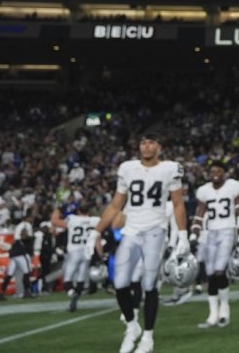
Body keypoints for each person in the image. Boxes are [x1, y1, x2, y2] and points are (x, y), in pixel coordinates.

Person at [89, 133, 189, 353]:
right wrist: (96, 231)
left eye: (151, 142)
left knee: (149, 284)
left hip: (155, 230)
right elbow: (115, 205)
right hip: (132, 230)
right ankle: (132, 327)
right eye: (143, 142)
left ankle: (148, 338)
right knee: (120, 283)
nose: (146, 146)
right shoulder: (127, 168)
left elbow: (178, 204)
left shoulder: (170, 168)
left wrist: (183, 234)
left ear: (159, 146)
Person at [191, 160, 239, 328]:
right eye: (212, 171)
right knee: (210, 274)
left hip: (228, 230)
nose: (215, 174)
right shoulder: (204, 190)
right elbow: (199, 214)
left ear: (224, 173)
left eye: (219, 171)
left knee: (220, 271)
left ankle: (224, 310)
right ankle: (213, 314)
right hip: (211, 233)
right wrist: (194, 233)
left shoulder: (233, 186)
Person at [51, 202, 100, 311]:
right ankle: (75, 300)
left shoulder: (72, 219)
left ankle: (72, 293)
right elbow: (97, 239)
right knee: (80, 279)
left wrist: (58, 208)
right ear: (89, 211)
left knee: (67, 281)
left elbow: (54, 221)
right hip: (87, 252)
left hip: (74, 252)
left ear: (78, 211)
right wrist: (101, 256)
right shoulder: (95, 220)